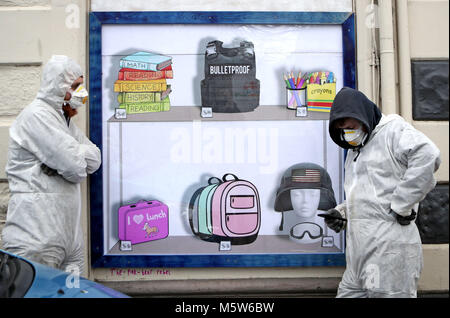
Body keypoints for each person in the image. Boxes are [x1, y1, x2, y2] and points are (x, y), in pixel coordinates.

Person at [323, 87, 441, 298]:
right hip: (359, 253)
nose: (348, 133)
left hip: (389, 253)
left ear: (363, 116)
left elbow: (427, 155)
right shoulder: (356, 149)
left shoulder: (393, 131)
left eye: (351, 126)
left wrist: (402, 205)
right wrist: (343, 213)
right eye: (342, 129)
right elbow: (370, 194)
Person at [1, 55, 101, 274]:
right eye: (75, 86)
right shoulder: (36, 116)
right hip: (35, 238)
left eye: (81, 86)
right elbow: (76, 169)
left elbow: (94, 159)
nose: (81, 93)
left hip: (66, 240)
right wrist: (73, 156)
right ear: (58, 86)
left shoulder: (62, 120)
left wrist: (73, 154)